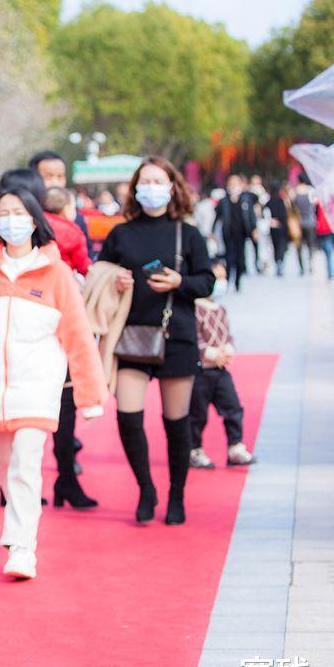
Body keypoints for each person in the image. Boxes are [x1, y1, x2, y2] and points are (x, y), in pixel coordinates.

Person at [0, 185, 106, 579]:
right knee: (5, 465)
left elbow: (78, 336)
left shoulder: (56, 273)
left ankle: (22, 546)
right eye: (4, 213)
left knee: (26, 465)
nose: (10, 220)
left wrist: (89, 394)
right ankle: (18, 527)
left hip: (37, 389)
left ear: (34, 220)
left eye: (18, 213)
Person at [97, 156, 215, 525]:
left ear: (173, 187)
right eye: (143, 182)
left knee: (176, 422)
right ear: (133, 189)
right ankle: (146, 488)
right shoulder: (121, 233)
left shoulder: (188, 233)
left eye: (157, 181)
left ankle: (176, 495)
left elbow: (208, 282)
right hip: (131, 336)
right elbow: (99, 273)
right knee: (128, 416)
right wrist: (115, 282)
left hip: (175, 335)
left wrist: (181, 283)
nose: (150, 188)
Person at [189, 265, 257, 468]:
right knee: (197, 414)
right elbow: (196, 338)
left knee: (233, 407)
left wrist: (227, 349)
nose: (221, 282)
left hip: (220, 369)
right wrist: (211, 354)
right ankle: (194, 449)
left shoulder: (221, 309)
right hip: (201, 370)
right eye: (217, 277)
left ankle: (235, 446)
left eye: (223, 277)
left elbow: (227, 335)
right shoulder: (195, 309)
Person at [214, 175, 257, 292]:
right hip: (228, 233)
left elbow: (251, 216)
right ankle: (227, 280)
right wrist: (212, 232)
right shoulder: (224, 201)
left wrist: (253, 229)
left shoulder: (245, 199)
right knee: (229, 258)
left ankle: (237, 281)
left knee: (240, 258)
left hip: (242, 233)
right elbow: (217, 217)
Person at [42, 186, 92, 276]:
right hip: (64, 277)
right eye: (74, 208)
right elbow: (82, 264)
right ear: (66, 209)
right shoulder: (74, 232)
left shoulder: (37, 223)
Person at [291, 173, 319, 276]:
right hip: (311, 221)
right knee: (310, 245)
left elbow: (292, 206)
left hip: (298, 222)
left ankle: (301, 267)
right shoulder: (311, 190)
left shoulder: (295, 191)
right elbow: (316, 204)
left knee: (298, 246)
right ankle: (310, 263)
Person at [266, 179, 291, 277]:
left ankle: (278, 262)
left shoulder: (269, 202)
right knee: (281, 246)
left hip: (273, 229)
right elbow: (285, 215)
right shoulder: (281, 201)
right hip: (281, 228)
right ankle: (280, 262)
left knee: (276, 246)